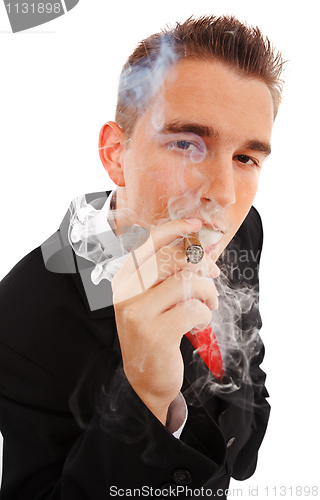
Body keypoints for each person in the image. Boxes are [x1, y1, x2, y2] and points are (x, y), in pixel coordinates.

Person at [0, 15, 284, 499]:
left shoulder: (243, 229)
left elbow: (248, 379)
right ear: (115, 154)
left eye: (245, 158)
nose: (222, 193)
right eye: (185, 143)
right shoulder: (19, 315)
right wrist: (146, 397)